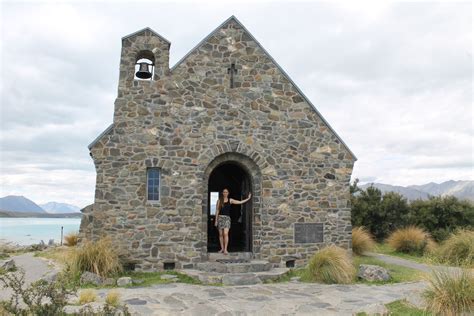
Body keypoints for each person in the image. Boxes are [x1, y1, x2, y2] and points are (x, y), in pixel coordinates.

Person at [214, 188, 251, 255]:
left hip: (227, 219)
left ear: (228, 193)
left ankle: (225, 249)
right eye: (224, 192)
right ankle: (222, 248)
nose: (225, 193)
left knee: (225, 233)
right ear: (222, 193)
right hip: (220, 218)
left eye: (226, 192)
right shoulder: (219, 201)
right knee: (220, 234)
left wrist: (248, 199)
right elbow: (217, 211)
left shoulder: (230, 200)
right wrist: (216, 220)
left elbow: (239, 202)